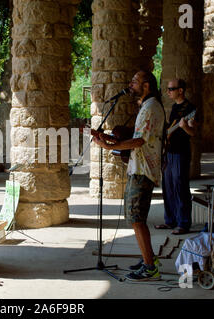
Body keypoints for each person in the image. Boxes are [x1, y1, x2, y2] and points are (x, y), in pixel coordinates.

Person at [92, 70, 165, 281]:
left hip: (143, 170)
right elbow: (135, 138)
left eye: (135, 81)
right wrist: (107, 138)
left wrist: (106, 145)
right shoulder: (146, 106)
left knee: (136, 218)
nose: (130, 84)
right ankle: (149, 258)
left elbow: (139, 141)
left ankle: (150, 267)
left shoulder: (151, 107)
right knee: (135, 217)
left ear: (147, 86)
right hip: (138, 167)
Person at [156, 79, 197, 235]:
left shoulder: (191, 108)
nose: (168, 92)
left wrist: (185, 126)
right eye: (167, 89)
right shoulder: (174, 108)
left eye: (171, 89)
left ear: (180, 90)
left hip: (181, 152)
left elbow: (193, 132)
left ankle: (183, 223)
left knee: (180, 187)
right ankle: (170, 220)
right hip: (169, 151)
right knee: (168, 188)